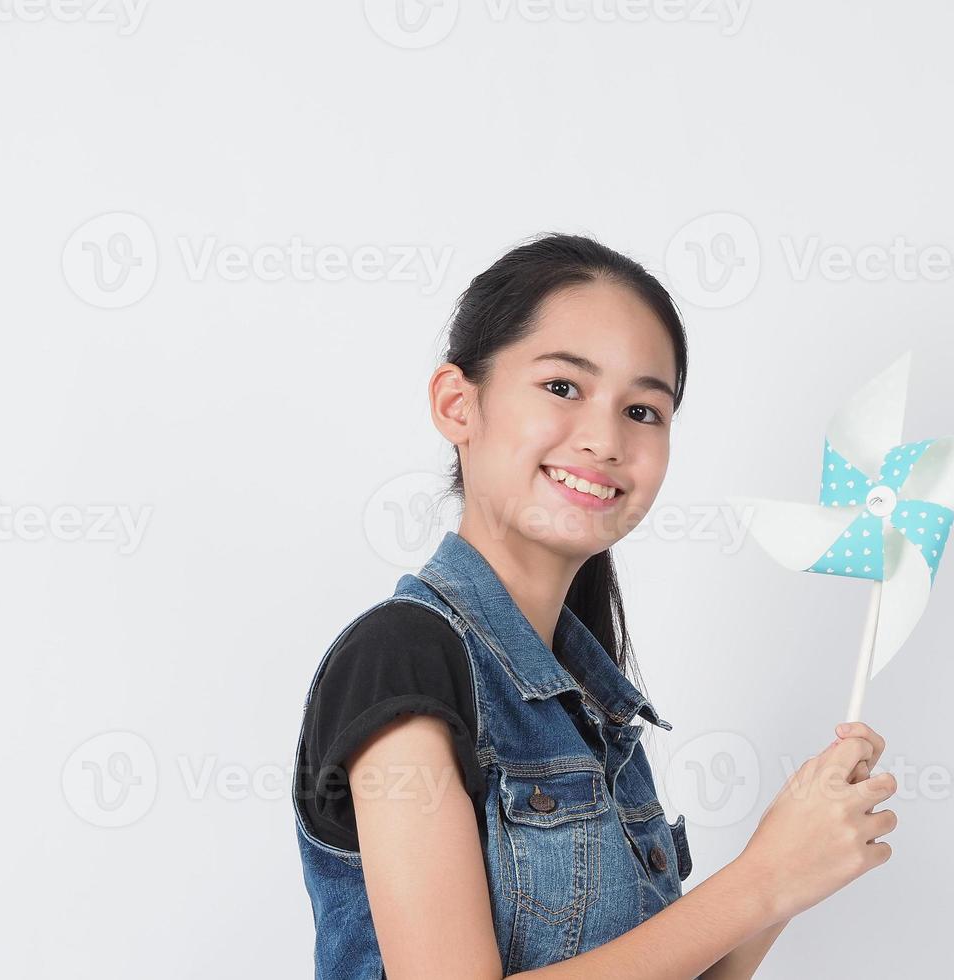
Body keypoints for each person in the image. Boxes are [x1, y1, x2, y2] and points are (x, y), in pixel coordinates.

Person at [291, 233, 899, 977]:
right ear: (458, 404)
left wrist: (788, 870)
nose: (606, 440)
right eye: (562, 387)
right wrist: (761, 879)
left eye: (644, 411)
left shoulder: (595, 708)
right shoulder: (403, 660)